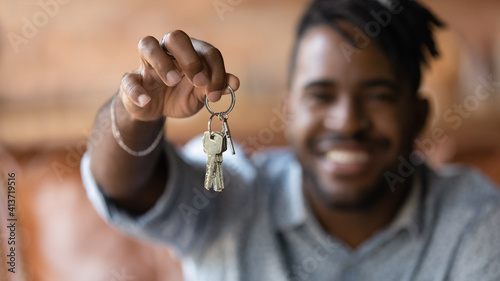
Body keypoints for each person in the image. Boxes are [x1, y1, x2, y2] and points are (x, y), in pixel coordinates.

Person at [81, 0, 500, 280]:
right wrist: (135, 114)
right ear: (290, 111)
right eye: (320, 96)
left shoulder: (476, 221)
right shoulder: (231, 193)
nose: (347, 122)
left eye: (377, 97)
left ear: (418, 117)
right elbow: (127, 188)